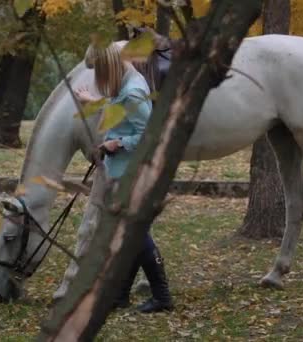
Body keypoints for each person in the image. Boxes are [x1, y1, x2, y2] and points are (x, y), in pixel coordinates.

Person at [74, 42, 174, 313]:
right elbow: (120, 107)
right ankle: (121, 295)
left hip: (131, 173)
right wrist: (94, 102)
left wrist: (116, 144)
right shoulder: (129, 81)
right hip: (121, 172)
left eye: (103, 74)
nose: (101, 81)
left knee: (135, 235)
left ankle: (162, 298)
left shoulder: (133, 91)